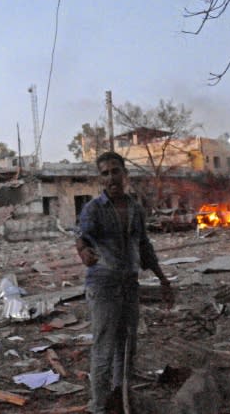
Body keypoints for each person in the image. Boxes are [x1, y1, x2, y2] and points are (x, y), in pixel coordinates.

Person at [76, 151, 173, 413]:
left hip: (129, 284)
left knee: (127, 347)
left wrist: (163, 279)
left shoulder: (135, 209)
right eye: (105, 173)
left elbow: (144, 246)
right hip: (104, 285)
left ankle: (120, 401)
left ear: (124, 174)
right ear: (100, 179)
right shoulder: (93, 209)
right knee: (104, 349)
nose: (111, 178)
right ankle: (99, 407)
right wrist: (84, 252)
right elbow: (82, 238)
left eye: (115, 171)